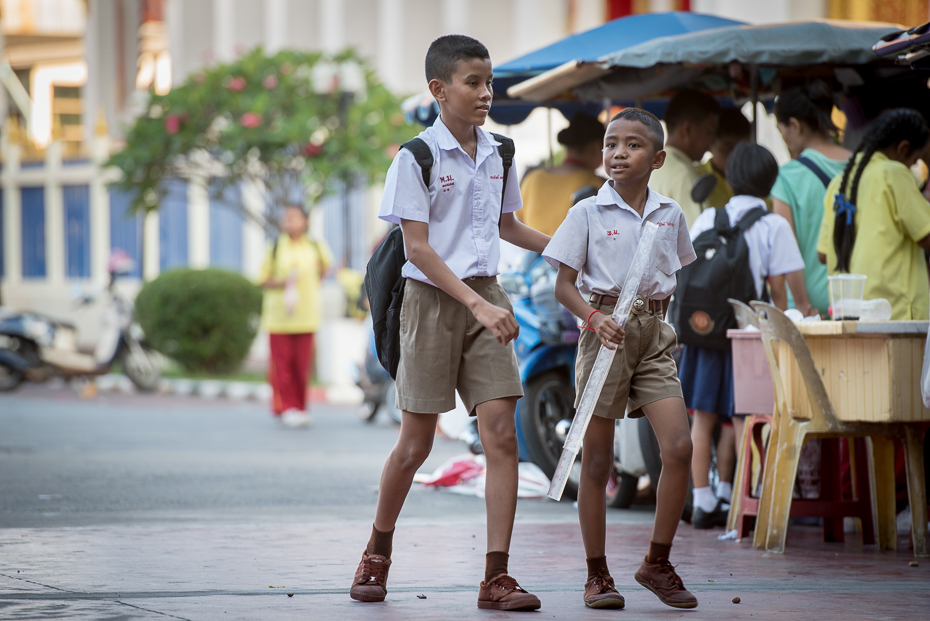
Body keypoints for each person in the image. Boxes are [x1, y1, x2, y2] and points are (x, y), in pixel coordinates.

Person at [349, 35, 550, 611]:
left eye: (489, 83)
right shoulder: (415, 157)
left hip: (486, 295)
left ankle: (496, 577)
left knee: (502, 436)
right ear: (439, 89)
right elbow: (418, 249)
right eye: (473, 83)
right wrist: (478, 305)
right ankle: (377, 551)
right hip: (432, 299)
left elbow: (510, 227)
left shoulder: (501, 153)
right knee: (414, 445)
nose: (486, 93)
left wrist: (571, 251)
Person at [544, 108, 698, 610]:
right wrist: (593, 318)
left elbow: (671, 278)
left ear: (656, 158)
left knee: (677, 448)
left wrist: (658, 327)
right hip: (603, 334)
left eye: (632, 146)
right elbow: (563, 286)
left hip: (654, 337)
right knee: (598, 461)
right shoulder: (586, 212)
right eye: (611, 144)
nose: (618, 153)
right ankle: (597, 574)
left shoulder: (671, 212)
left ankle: (657, 562)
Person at [681, 142, 806, 528]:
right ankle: (739, 499)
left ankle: (704, 499)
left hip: (703, 332)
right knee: (742, 417)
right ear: (771, 181)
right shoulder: (773, 225)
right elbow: (782, 292)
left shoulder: (707, 220)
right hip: (750, 336)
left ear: (730, 177)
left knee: (702, 417)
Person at [818, 108, 930, 320]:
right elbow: (927, 235)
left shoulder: (837, 183)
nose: (913, 166)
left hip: (849, 315)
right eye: (915, 160)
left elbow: (823, 254)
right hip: (894, 314)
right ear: (903, 148)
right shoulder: (894, 173)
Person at [772, 81, 850, 317]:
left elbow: (785, 250)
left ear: (794, 125)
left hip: (810, 309)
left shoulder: (787, 176)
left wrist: (803, 307)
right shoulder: (861, 165)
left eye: (781, 131)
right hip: (857, 301)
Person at [258, 204, 334, 428]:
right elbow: (262, 278)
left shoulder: (314, 245)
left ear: (305, 221)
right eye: (286, 217)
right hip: (279, 318)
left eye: (293, 217)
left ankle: (301, 406)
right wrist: (283, 282)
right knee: (282, 366)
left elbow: (325, 268)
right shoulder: (275, 247)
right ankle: (288, 406)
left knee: (302, 367)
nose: (288, 221)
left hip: (306, 316)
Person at [517, 112, 605, 236]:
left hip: (534, 253)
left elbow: (519, 222)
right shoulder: (599, 184)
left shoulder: (532, 178)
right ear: (596, 146)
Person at [649, 89, 720, 226]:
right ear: (687, 130)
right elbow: (702, 237)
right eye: (709, 132)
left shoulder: (649, 164)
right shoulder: (684, 175)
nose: (712, 141)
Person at [698, 108, 752, 209]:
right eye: (727, 149)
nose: (735, 158)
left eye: (742, 151)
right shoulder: (695, 178)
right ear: (711, 143)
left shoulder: (756, 180)